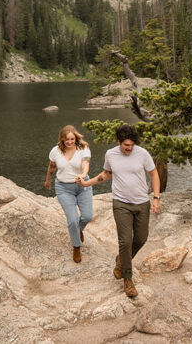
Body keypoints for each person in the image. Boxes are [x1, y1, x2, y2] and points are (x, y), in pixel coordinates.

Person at [78, 124, 160, 298]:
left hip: (142, 203)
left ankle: (121, 260)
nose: (129, 148)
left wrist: (156, 198)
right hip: (121, 203)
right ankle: (127, 279)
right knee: (125, 241)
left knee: (141, 238)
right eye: (126, 145)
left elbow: (153, 174)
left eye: (131, 145)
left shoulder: (142, 154)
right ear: (119, 142)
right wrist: (87, 183)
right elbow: (106, 174)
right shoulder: (111, 154)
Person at [44, 125, 93, 263]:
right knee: (72, 220)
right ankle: (76, 246)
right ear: (62, 139)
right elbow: (52, 166)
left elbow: (85, 164)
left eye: (72, 139)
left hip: (83, 185)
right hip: (64, 188)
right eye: (67, 140)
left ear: (76, 138)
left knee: (88, 216)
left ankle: (77, 231)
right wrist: (48, 180)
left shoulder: (83, 148)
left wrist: (83, 175)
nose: (70, 142)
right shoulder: (55, 151)